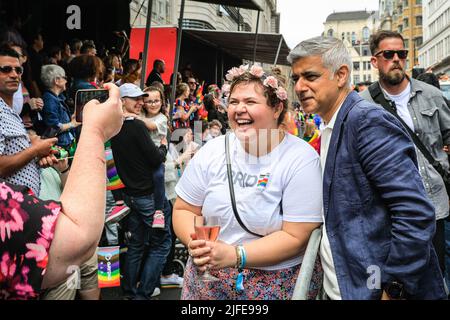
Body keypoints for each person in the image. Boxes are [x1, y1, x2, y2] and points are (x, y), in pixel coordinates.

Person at [288, 36, 447, 300]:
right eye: (295, 79)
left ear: (341, 75)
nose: (300, 87)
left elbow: (414, 212)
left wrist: (392, 288)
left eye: (310, 76)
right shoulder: (333, 125)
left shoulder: (366, 121)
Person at [172, 64, 323, 300]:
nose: (239, 109)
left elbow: (297, 236)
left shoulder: (301, 159)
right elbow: (183, 209)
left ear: (277, 108)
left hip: (275, 283)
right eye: (233, 102)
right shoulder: (212, 150)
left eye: (251, 102)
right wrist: (200, 246)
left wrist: (234, 255)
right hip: (207, 283)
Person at [0, 82, 123, 299]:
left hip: (73, 234)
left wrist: (63, 169)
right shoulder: (14, 189)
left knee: (93, 272)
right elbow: (82, 237)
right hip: (60, 243)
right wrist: (95, 131)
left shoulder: (49, 169)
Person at [360, 30, 450, 277]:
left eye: (402, 53)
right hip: (389, 211)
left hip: (434, 206)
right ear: (375, 61)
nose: (396, 59)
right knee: (398, 280)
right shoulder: (363, 104)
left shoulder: (431, 95)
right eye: (388, 54)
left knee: (435, 276)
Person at [110, 83, 171, 300]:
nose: (140, 102)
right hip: (147, 197)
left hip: (130, 196)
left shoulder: (114, 126)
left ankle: (129, 292)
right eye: (134, 98)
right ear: (122, 101)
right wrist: (164, 147)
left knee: (136, 244)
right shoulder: (135, 126)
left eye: (140, 98)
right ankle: (143, 295)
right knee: (162, 243)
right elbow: (156, 159)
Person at [0, 46, 57, 196]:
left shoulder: (10, 112)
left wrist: (37, 154)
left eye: (18, 70)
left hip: (21, 207)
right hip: (10, 209)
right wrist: (35, 150)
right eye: (6, 69)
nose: (14, 75)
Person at [41, 64, 80, 150]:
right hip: (60, 146)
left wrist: (71, 118)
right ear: (57, 80)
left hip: (65, 144)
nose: (66, 81)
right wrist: (72, 124)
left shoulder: (56, 97)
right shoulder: (49, 99)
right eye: (64, 77)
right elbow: (53, 127)